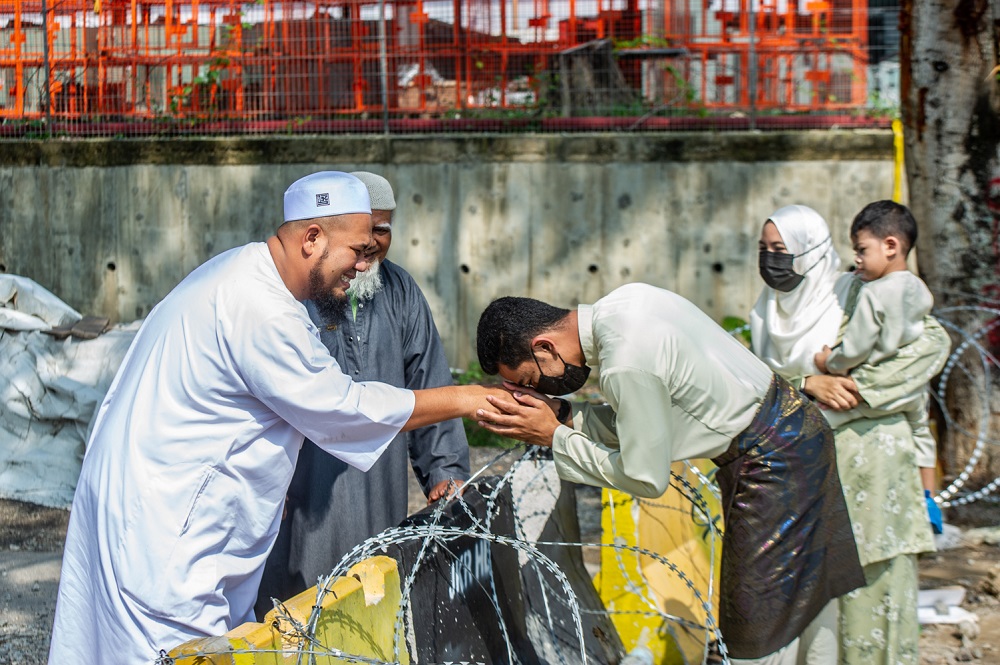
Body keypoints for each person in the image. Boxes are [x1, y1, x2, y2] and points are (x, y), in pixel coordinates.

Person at [48, 171, 503, 664]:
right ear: (312, 239)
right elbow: (344, 408)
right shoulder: (261, 308)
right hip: (165, 531)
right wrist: (466, 398)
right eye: (354, 249)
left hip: (157, 508)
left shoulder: (240, 273)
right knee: (180, 654)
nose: (361, 264)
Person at [473, 283, 865, 665]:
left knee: (759, 622)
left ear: (545, 346)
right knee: (810, 601)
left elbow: (646, 477)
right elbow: (655, 414)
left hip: (773, 464)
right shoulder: (628, 301)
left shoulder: (623, 363)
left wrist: (554, 436)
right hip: (799, 433)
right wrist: (567, 417)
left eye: (530, 379)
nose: (541, 387)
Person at [255, 172, 470, 617]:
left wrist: (445, 472)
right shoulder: (301, 291)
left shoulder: (401, 292)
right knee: (294, 615)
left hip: (380, 491)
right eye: (361, 232)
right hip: (301, 497)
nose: (370, 243)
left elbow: (429, 382)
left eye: (383, 230)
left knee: (371, 607)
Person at [750, 203, 949, 665]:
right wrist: (805, 385)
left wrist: (861, 392)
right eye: (764, 248)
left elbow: (930, 347)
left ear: (813, 251)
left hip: (876, 470)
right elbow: (750, 388)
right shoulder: (764, 315)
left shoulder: (852, 293)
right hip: (802, 471)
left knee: (877, 590)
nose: (771, 259)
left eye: (782, 249)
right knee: (821, 603)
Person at [812, 201, 938, 522]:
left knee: (818, 423)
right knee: (922, 434)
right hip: (909, 387)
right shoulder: (920, 288)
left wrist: (830, 363)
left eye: (862, 249)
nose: (857, 259)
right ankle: (929, 502)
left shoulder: (873, 294)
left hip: (867, 386)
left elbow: (856, 348)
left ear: (891, 246)